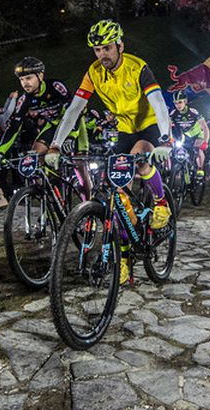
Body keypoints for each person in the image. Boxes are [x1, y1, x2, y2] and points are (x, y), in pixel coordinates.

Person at [48, 20, 173, 284]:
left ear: (119, 46)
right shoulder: (94, 72)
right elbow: (74, 109)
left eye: (106, 48)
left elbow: (159, 104)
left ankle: (161, 203)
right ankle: (124, 258)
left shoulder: (137, 67)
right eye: (97, 50)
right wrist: (56, 144)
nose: (102, 54)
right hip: (124, 129)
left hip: (149, 125)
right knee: (114, 189)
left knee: (139, 162)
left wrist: (165, 139)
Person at [0, 57, 76, 157]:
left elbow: (75, 111)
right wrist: (0, 152)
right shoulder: (24, 99)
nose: (25, 83)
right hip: (52, 124)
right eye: (21, 79)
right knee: (34, 157)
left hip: (72, 123)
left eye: (29, 78)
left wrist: (72, 135)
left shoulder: (55, 86)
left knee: (79, 162)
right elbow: (14, 126)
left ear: (40, 76)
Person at [170, 89, 210, 178]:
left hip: (197, 134)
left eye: (180, 102)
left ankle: (200, 168)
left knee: (197, 148)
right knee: (175, 150)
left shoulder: (193, 112)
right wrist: (169, 139)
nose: (178, 105)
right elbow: (168, 128)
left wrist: (205, 142)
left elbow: (205, 127)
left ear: (185, 101)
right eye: (175, 103)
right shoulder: (173, 114)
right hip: (185, 136)